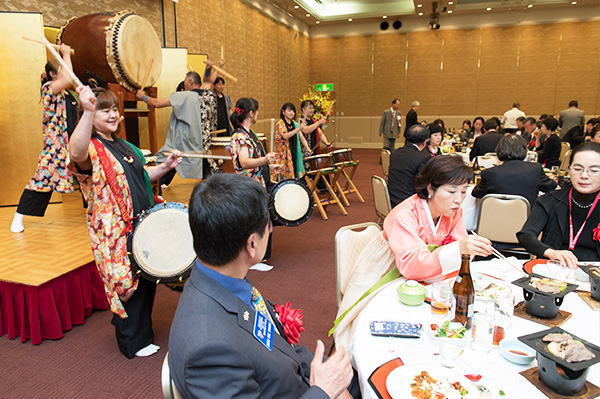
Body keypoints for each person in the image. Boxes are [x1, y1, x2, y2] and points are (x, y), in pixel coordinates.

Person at [168, 173, 359, 399]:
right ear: (251, 244)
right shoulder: (209, 349)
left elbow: (273, 343)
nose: (269, 230)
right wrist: (323, 392)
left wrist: (327, 372)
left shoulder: (222, 280)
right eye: (268, 225)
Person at [69, 86, 182, 358]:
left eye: (114, 109)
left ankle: (142, 335)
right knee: (125, 285)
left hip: (139, 223)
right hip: (114, 232)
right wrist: (85, 111)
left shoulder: (123, 145)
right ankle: (132, 342)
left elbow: (141, 175)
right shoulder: (92, 148)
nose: (112, 115)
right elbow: (75, 154)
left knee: (144, 278)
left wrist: (166, 167)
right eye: (103, 109)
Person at [385, 155, 493, 282]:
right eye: (452, 192)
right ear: (430, 188)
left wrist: (469, 247)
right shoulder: (405, 215)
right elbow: (411, 266)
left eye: (463, 192)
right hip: (393, 270)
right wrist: (457, 248)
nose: (458, 200)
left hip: (429, 274)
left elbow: (460, 249)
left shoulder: (454, 213)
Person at [11, 45, 78, 233]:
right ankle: (18, 217)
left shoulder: (69, 95)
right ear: (52, 74)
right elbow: (68, 78)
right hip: (55, 147)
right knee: (42, 181)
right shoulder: (49, 88)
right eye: (62, 68)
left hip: (71, 144)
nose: (67, 71)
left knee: (89, 175)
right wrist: (65, 53)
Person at [517, 142, 600, 267]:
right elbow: (526, 235)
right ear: (569, 170)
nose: (584, 176)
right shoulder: (551, 199)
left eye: (593, 170)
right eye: (578, 169)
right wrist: (550, 252)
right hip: (554, 269)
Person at [230, 97, 281, 261]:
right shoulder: (241, 136)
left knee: (260, 221)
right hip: (250, 187)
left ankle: (260, 257)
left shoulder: (248, 134)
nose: (257, 114)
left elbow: (253, 161)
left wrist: (269, 166)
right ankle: (254, 258)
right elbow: (244, 162)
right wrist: (265, 160)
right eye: (257, 111)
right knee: (256, 223)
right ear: (251, 113)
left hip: (256, 183)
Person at [472, 134, 557, 207]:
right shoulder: (535, 169)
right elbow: (551, 187)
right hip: (528, 221)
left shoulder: (490, 173)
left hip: (497, 220)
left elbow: (476, 193)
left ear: (500, 150)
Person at [387, 125, 432, 207]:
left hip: (391, 200)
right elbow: (423, 185)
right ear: (424, 142)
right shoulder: (423, 158)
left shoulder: (395, 153)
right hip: (408, 204)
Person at [271, 102, 309, 180]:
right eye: (289, 110)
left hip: (294, 151)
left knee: (296, 172)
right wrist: (298, 129)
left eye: (293, 111)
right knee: (284, 176)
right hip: (283, 155)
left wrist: (308, 148)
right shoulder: (280, 124)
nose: (292, 113)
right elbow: (285, 136)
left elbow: (301, 138)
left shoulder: (295, 124)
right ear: (283, 112)